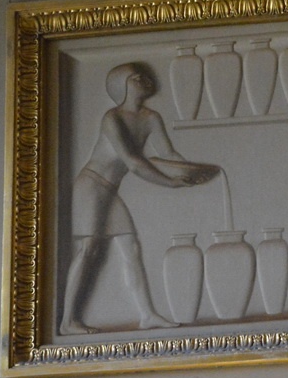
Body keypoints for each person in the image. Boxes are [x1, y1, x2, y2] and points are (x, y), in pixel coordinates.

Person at [59, 62, 219, 335]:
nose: (144, 80)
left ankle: (147, 315)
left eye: (144, 76)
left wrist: (192, 171)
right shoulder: (112, 117)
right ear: (122, 85)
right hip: (91, 186)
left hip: (109, 190)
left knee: (131, 247)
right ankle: (67, 321)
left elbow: (168, 154)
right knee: (88, 249)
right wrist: (171, 183)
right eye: (136, 78)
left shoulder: (151, 117)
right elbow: (133, 163)